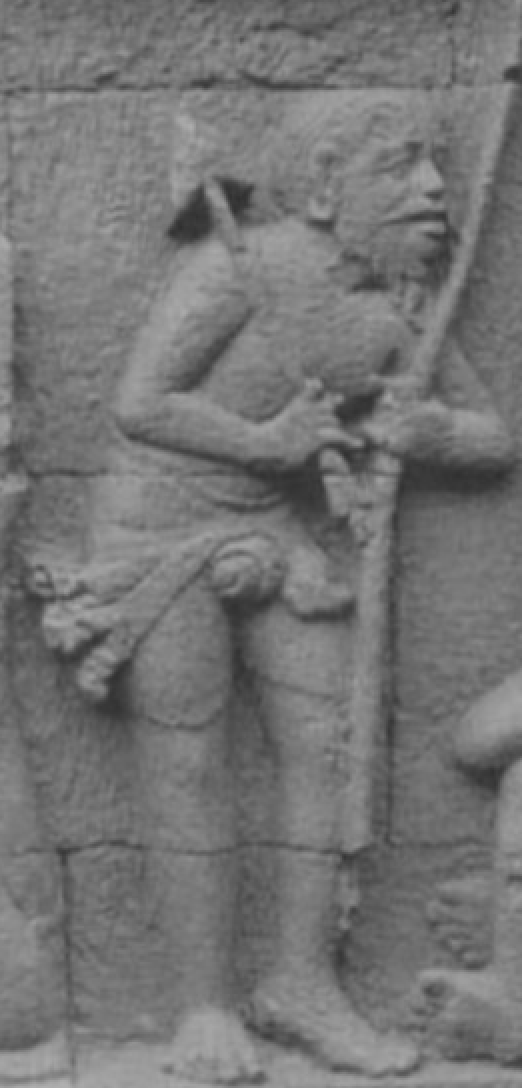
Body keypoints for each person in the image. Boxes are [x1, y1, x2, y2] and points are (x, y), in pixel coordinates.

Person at [33, 92, 513, 1083]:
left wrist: (430, 432)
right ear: (327, 186)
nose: (434, 187)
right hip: (158, 526)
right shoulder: (243, 264)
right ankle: (203, 1005)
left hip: (273, 529)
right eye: (401, 165)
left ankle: (302, 981)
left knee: (330, 745)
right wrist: (265, 441)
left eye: (435, 163)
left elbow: (491, 435)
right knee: (187, 759)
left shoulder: (403, 302)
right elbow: (141, 402)